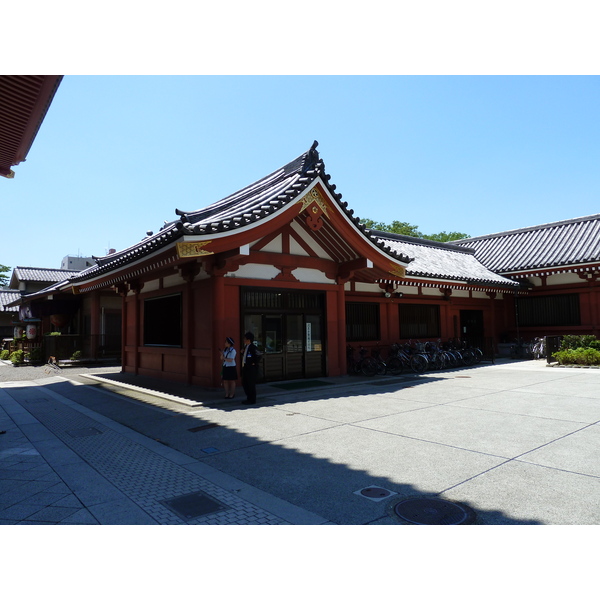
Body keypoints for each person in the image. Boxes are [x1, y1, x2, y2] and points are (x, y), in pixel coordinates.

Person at [241, 331, 261, 405]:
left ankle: (252, 400)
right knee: (245, 383)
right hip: (245, 367)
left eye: (245, 339)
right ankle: (248, 398)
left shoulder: (253, 347)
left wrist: (254, 363)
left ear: (249, 340)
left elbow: (258, 355)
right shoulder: (246, 347)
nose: (244, 340)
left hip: (251, 369)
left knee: (250, 384)